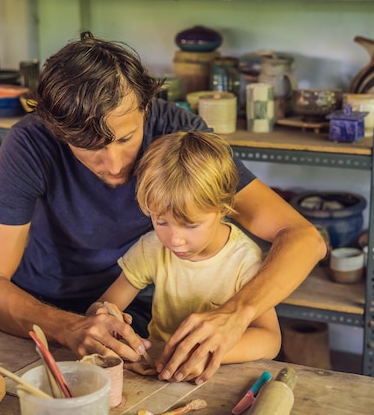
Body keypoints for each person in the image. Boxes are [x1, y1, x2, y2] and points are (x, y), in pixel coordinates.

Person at [0, 31, 326, 385]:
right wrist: (70, 326)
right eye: (90, 147)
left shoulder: (180, 136)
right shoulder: (29, 143)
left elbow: (303, 238)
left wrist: (236, 314)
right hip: (41, 306)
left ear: (145, 107)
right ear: (57, 131)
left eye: (126, 138)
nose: (114, 163)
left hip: (136, 311)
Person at [86, 131, 281, 371]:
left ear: (223, 207)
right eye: (161, 222)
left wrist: (206, 354)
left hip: (219, 372)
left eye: (190, 225)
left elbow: (270, 340)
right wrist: (103, 315)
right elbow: (106, 305)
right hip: (161, 368)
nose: (175, 239)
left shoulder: (244, 260)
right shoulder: (152, 248)